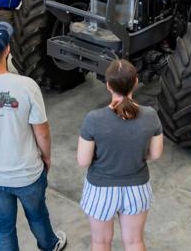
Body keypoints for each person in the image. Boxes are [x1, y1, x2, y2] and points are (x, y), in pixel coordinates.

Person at [0, 22, 67, 251]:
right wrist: (46, 157)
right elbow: (42, 132)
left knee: (4, 228)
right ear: (7, 50)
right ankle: (50, 245)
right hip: (26, 172)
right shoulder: (26, 86)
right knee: (37, 216)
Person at [77, 59, 163, 251]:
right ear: (136, 82)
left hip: (100, 188)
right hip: (137, 187)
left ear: (108, 85)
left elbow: (83, 161)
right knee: (134, 242)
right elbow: (156, 154)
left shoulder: (93, 119)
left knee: (100, 242)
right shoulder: (150, 115)